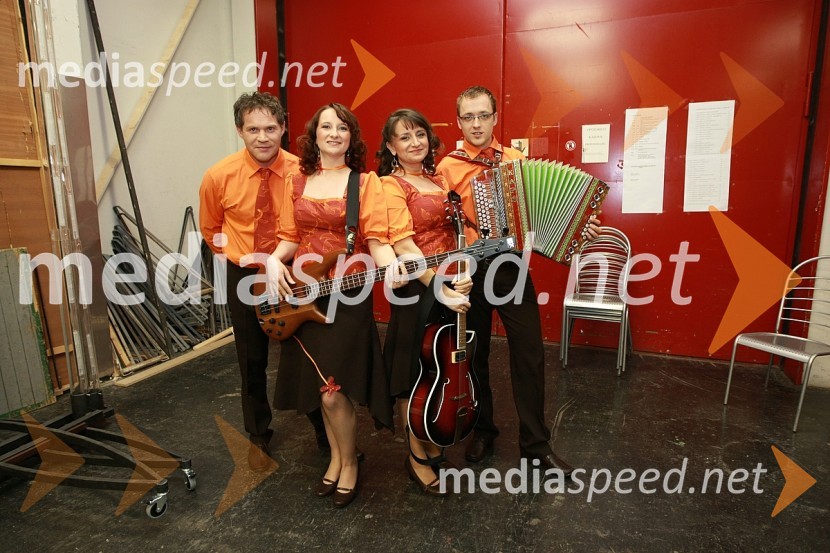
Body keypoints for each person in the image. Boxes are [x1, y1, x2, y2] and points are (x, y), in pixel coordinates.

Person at [435, 85, 600, 475]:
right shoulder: (446, 168)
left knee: (529, 353)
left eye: (483, 115)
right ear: (459, 122)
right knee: (473, 356)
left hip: (509, 268)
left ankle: (535, 446)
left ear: (495, 117)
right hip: (468, 272)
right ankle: (484, 430)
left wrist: (579, 227)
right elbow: (437, 225)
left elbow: (543, 213)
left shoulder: (516, 161)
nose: (476, 124)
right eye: (468, 117)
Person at [268, 103, 398, 508]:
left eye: (342, 127)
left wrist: (390, 265)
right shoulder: (297, 180)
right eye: (326, 126)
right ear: (314, 134)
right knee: (322, 384)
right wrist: (274, 259)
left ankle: (350, 464)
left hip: (348, 294)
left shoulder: (366, 182)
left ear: (351, 135)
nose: (334, 133)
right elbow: (290, 234)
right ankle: (341, 457)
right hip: (304, 294)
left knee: (333, 391)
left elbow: (376, 237)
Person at [199, 91, 327, 472]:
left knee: (306, 356)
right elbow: (211, 230)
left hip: (293, 272)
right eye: (253, 129)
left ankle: (324, 431)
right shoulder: (217, 176)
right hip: (245, 275)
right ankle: (258, 433)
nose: (263, 137)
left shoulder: (303, 172)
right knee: (251, 358)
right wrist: (240, 260)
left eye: (271, 128)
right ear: (240, 131)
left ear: (284, 128)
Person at [376, 109, 473, 496]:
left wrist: (462, 274)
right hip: (418, 288)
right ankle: (416, 454)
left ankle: (430, 440)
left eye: (420, 134)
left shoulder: (437, 179)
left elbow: (457, 233)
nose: (415, 142)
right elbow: (402, 244)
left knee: (438, 368)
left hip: (449, 281)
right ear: (391, 146)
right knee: (412, 373)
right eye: (404, 137)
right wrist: (440, 288)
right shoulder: (389, 185)